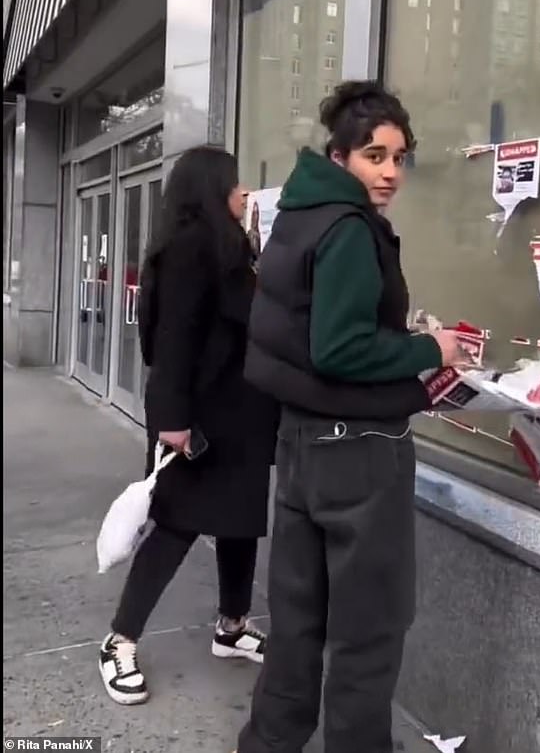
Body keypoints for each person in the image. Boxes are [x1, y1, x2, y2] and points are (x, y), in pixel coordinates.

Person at [234, 82, 461, 753]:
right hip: (359, 457)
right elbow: (339, 346)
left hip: (302, 446)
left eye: (399, 157)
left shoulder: (298, 215)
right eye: (374, 156)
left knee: (297, 628)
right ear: (340, 158)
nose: (390, 172)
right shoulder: (349, 229)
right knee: (367, 636)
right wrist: (430, 349)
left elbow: (304, 331)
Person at [99, 146, 279, 706]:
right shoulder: (187, 250)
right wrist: (172, 420)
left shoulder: (228, 246)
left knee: (240, 521)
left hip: (241, 413)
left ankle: (232, 625)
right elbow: (172, 340)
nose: (244, 192)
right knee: (177, 525)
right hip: (197, 417)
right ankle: (119, 639)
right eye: (235, 183)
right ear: (211, 188)